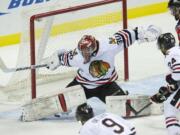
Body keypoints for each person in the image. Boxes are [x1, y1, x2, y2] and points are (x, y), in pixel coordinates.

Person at [45, 25, 161, 103]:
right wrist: (55, 60)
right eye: (82, 51)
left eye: (87, 51)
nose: (84, 54)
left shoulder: (108, 45)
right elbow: (63, 59)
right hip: (82, 86)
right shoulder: (77, 55)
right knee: (60, 103)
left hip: (107, 85)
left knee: (124, 106)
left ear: (93, 48)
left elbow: (126, 36)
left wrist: (144, 33)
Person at [150, 33, 180, 135]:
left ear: (162, 46)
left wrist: (169, 89)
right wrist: (169, 89)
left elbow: (178, 75)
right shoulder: (177, 50)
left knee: (170, 110)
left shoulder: (171, 54)